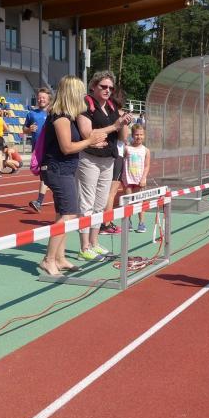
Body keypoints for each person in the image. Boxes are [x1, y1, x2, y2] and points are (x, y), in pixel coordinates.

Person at [38, 75, 107, 276]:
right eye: (80, 92)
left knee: (63, 214)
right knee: (68, 215)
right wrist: (90, 141)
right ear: (72, 94)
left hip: (64, 169)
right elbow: (67, 148)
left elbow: (73, 144)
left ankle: (59, 258)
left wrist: (92, 143)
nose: (84, 97)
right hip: (58, 170)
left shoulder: (68, 117)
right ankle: (48, 259)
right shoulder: (61, 117)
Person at [76, 71, 132, 261]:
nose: (108, 90)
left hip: (108, 159)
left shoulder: (111, 107)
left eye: (110, 88)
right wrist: (114, 126)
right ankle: (84, 247)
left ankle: (94, 243)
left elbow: (123, 138)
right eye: (104, 86)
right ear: (93, 86)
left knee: (100, 204)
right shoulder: (85, 105)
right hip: (89, 159)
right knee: (87, 203)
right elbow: (88, 134)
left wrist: (124, 124)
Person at [25, 87, 51, 212]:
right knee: (44, 175)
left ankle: (39, 202)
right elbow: (24, 129)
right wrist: (29, 129)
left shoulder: (53, 113)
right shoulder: (31, 114)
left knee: (45, 174)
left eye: (43, 98)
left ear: (49, 99)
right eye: (39, 98)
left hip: (50, 148)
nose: (41, 100)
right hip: (37, 149)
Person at [101, 122, 129, 235]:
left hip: (103, 153)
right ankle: (106, 224)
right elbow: (124, 137)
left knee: (101, 191)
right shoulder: (120, 115)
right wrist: (125, 123)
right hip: (116, 154)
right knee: (111, 192)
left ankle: (99, 223)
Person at [122, 124, 151, 232]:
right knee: (128, 201)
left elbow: (147, 166)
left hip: (139, 180)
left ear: (144, 135)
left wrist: (143, 178)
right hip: (128, 180)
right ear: (132, 135)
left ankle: (141, 223)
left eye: (141, 134)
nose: (139, 137)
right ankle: (128, 221)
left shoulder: (146, 150)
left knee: (139, 202)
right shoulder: (127, 148)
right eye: (136, 134)